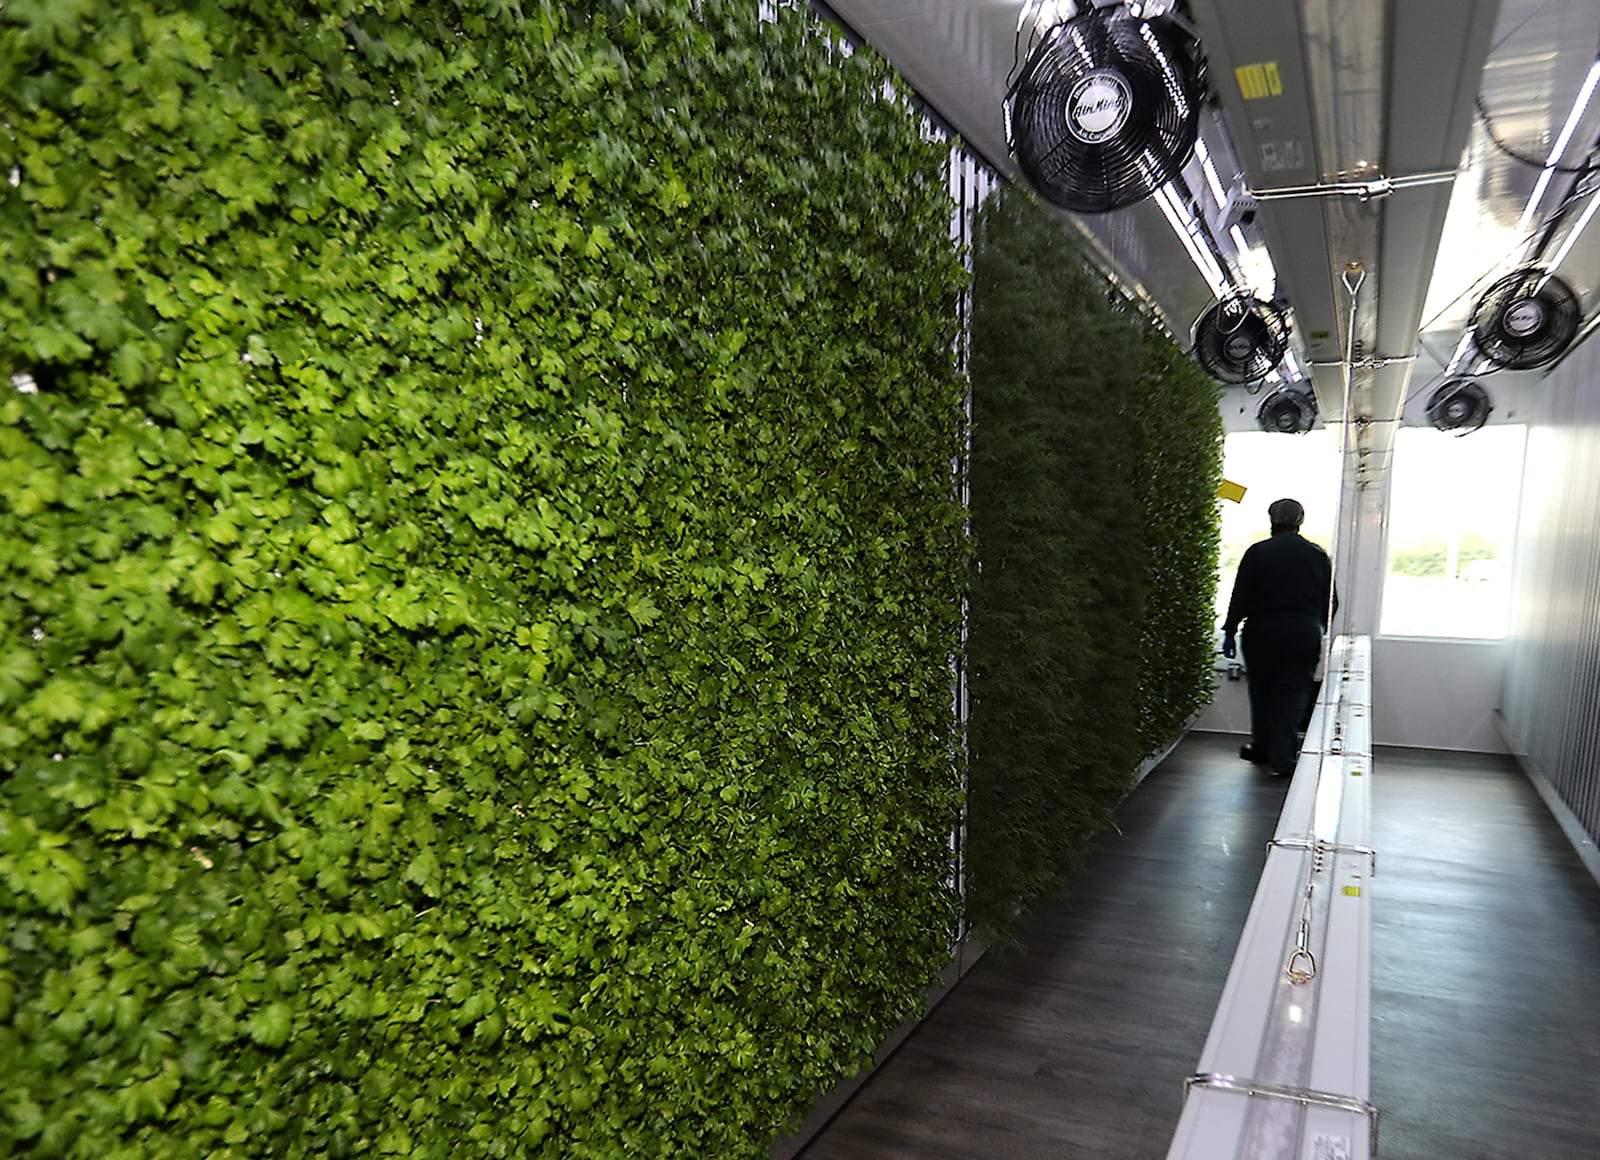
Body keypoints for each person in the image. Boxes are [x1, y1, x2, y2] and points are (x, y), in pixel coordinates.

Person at [1221, 498, 1337, 776]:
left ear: (1271, 519)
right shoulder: (1318, 555)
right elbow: (1330, 602)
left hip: (1261, 632)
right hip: (1302, 633)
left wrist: (1229, 630)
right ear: (1300, 521)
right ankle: (1282, 758)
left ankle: (1262, 747)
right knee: (1292, 693)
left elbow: (1241, 596)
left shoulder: (1258, 552)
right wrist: (1316, 627)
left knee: (1260, 691)